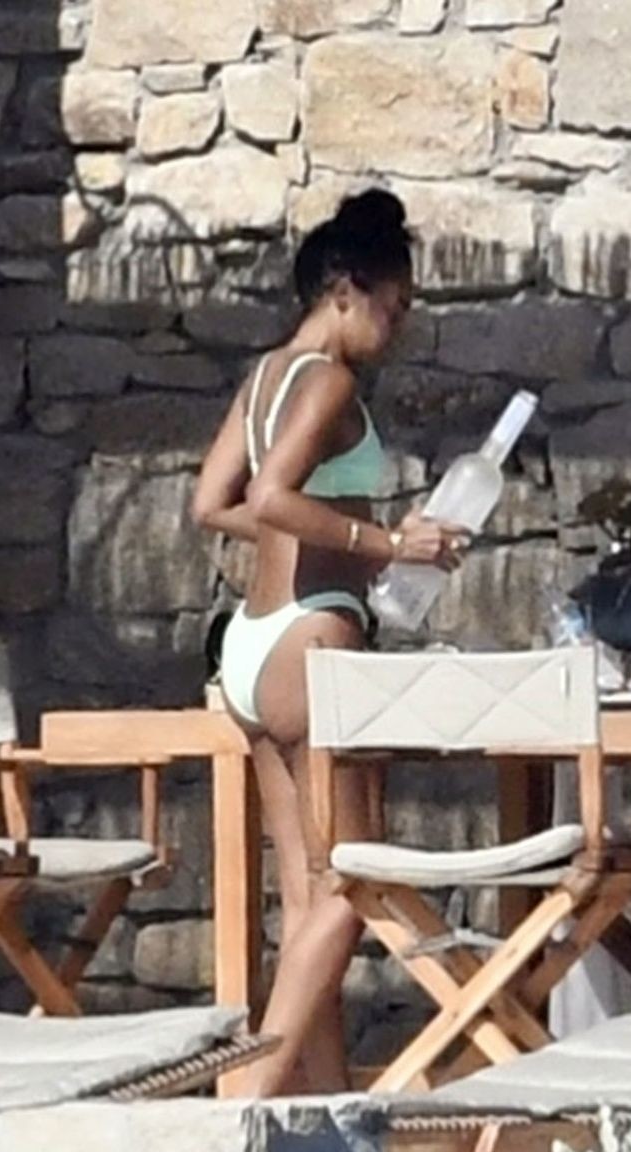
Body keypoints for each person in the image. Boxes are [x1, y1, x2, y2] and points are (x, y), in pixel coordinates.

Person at [191, 189, 468, 1093]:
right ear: (347, 290)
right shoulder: (330, 380)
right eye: (396, 306)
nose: (401, 325)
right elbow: (270, 496)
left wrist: (327, 536)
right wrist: (383, 542)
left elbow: (212, 503)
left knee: (311, 897)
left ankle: (323, 1107)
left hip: (250, 646)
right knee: (351, 886)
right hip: (312, 639)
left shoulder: (266, 375)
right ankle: (245, 1106)